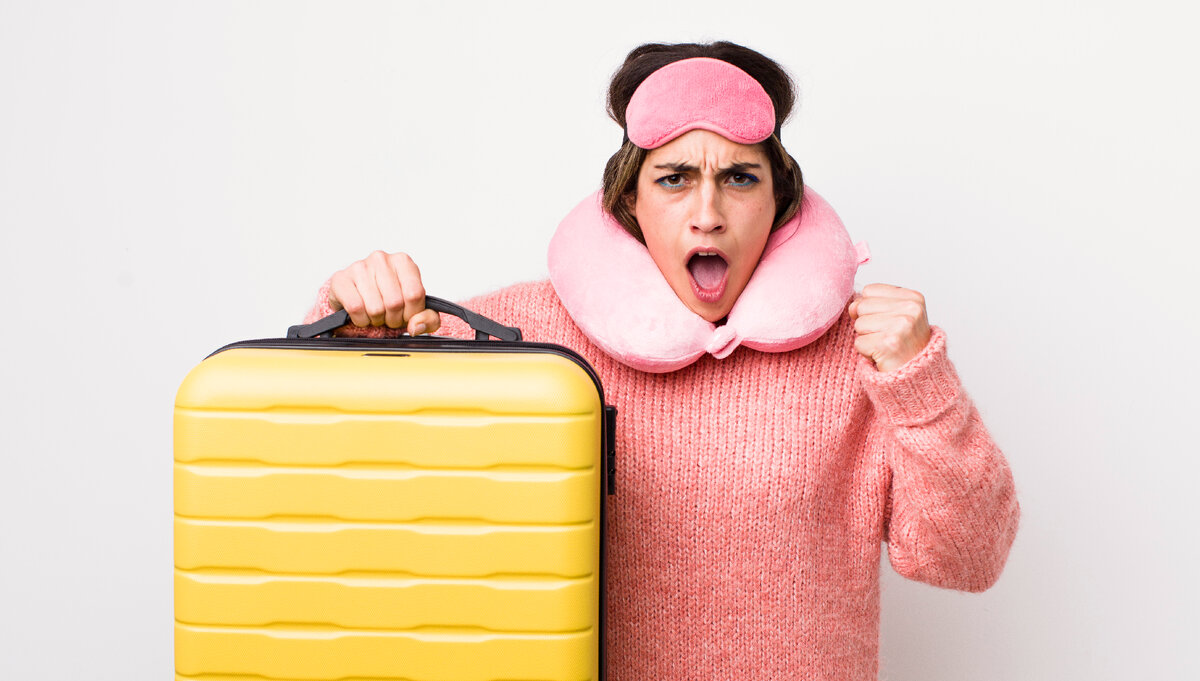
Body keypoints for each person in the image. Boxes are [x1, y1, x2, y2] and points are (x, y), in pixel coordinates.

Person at [304, 41, 1019, 681]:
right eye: (674, 178)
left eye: (740, 178)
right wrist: (350, 316)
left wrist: (921, 383)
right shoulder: (521, 338)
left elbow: (970, 558)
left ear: (781, 199)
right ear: (628, 200)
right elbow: (333, 464)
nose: (708, 213)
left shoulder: (865, 353)